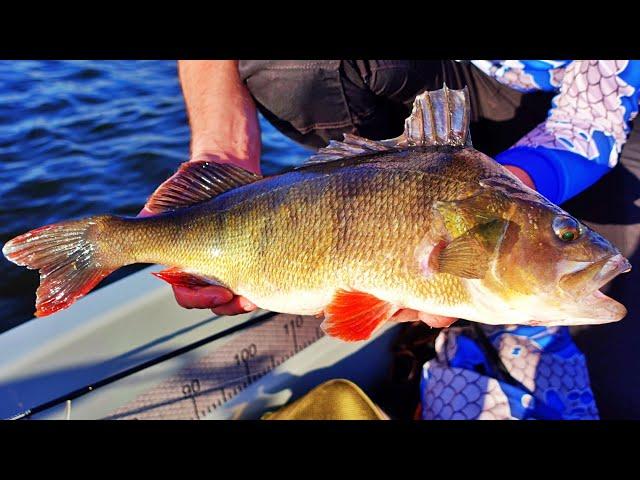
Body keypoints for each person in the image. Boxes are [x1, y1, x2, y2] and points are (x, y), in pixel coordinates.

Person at [142, 60, 640, 418]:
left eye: (564, 231)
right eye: (565, 231)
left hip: (587, 126)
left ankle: (483, 321)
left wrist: (512, 187)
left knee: (623, 393)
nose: (569, 238)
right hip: (438, 88)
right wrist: (221, 152)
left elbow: (590, 121)